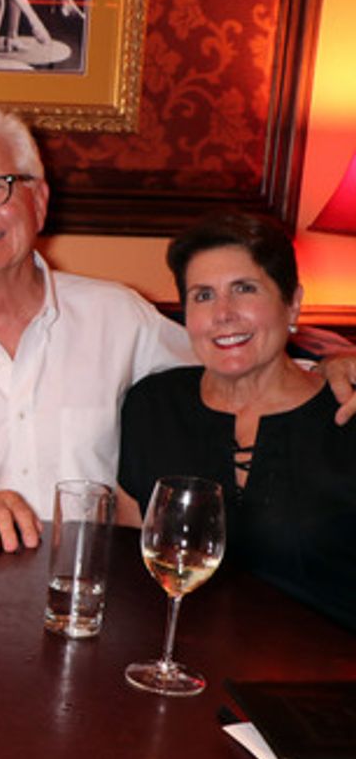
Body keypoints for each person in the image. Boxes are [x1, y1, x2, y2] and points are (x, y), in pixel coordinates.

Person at [0, 103, 356, 554]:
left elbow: (227, 354)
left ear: (38, 200)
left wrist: (328, 368)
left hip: (93, 605)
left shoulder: (118, 317)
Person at [119, 211, 356, 634]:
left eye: (244, 289)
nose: (223, 314)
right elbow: (130, 569)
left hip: (324, 684)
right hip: (178, 672)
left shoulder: (347, 414)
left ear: (293, 302)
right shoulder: (152, 408)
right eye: (203, 295)